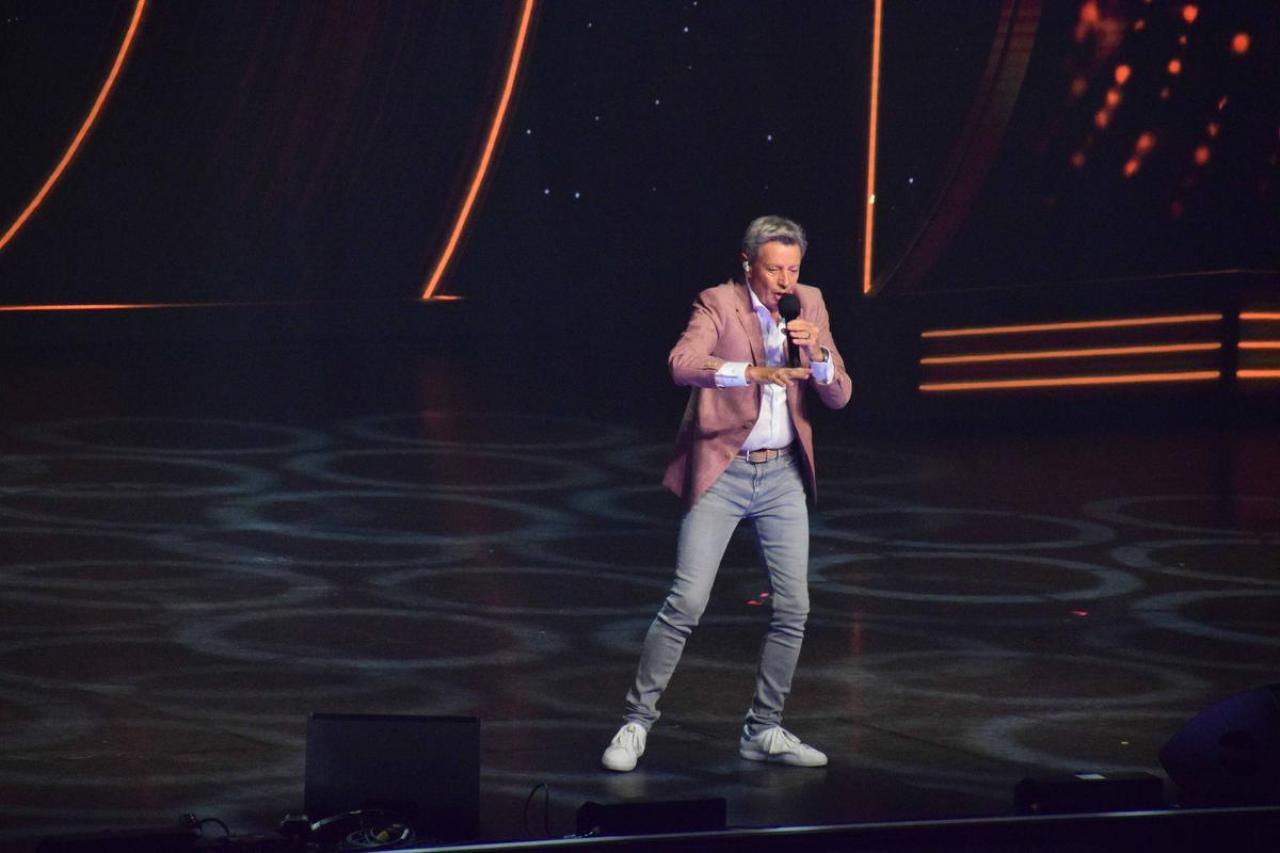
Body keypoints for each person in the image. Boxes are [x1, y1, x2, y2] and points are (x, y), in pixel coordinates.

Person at [602, 215, 852, 772]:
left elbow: (840, 396)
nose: (785, 282)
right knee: (687, 602)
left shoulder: (810, 303)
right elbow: (682, 365)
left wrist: (818, 356)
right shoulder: (718, 302)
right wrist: (750, 373)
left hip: (782, 475)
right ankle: (636, 722)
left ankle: (763, 729)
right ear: (747, 264)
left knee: (794, 606)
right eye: (774, 270)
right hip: (724, 471)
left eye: (793, 270)